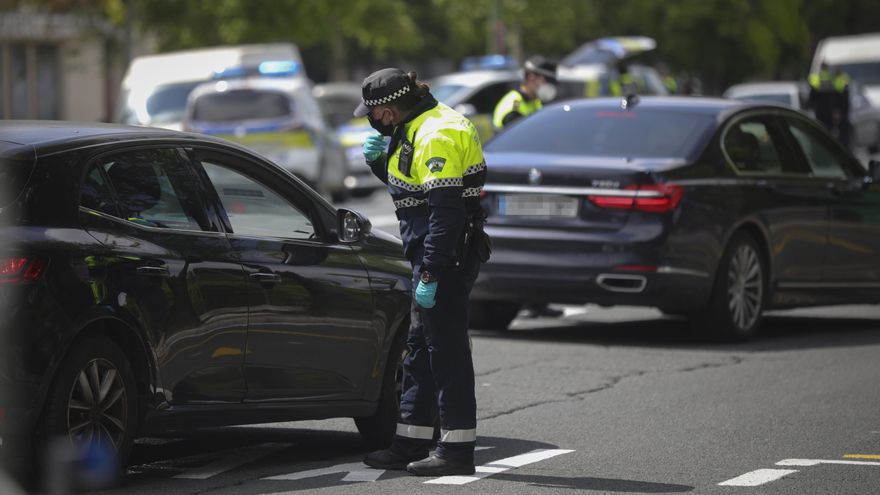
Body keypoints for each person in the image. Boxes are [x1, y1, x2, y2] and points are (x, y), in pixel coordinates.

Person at [354, 68, 490, 476]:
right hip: (430, 255)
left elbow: (445, 216)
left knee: (446, 353)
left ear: (390, 110)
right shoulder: (415, 125)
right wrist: (380, 161)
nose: (370, 121)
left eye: (372, 114)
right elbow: (411, 190)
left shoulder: (437, 135)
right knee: (420, 351)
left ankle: (456, 450)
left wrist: (431, 273)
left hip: (445, 256)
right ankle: (411, 440)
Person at [491, 56, 563, 319]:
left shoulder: (537, 103)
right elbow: (517, 143)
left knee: (542, 241)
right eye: (548, 80)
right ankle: (519, 299)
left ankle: (537, 300)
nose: (551, 86)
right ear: (532, 77)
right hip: (517, 181)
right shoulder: (513, 104)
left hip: (536, 179)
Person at [491, 55, 558, 131]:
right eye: (547, 80)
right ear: (531, 77)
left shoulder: (535, 102)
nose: (549, 85)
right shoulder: (513, 107)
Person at [807, 62, 851, 147]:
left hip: (819, 112)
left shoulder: (816, 78)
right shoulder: (834, 79)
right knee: (831, 133)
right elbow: (839, 96)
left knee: (820, 132)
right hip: (831, 112)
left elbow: (811, 98)